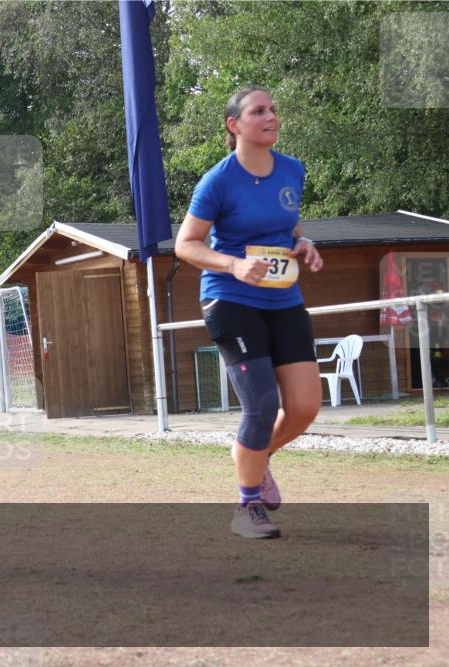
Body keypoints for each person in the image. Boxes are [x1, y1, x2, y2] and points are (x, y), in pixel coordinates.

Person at [174, 86, 324, 540]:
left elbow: (289, 222)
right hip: (230, 299)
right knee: (262, 404)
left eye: (273, 109)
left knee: (304, 407)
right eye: (259, 111)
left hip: (284, 299)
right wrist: (234, 264)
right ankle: (247, 507)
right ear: (234, 125)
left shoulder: (292, 169)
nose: (271, 116)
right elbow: (186, 245)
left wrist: (304, 242)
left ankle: (256, 458)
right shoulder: (218, 181)